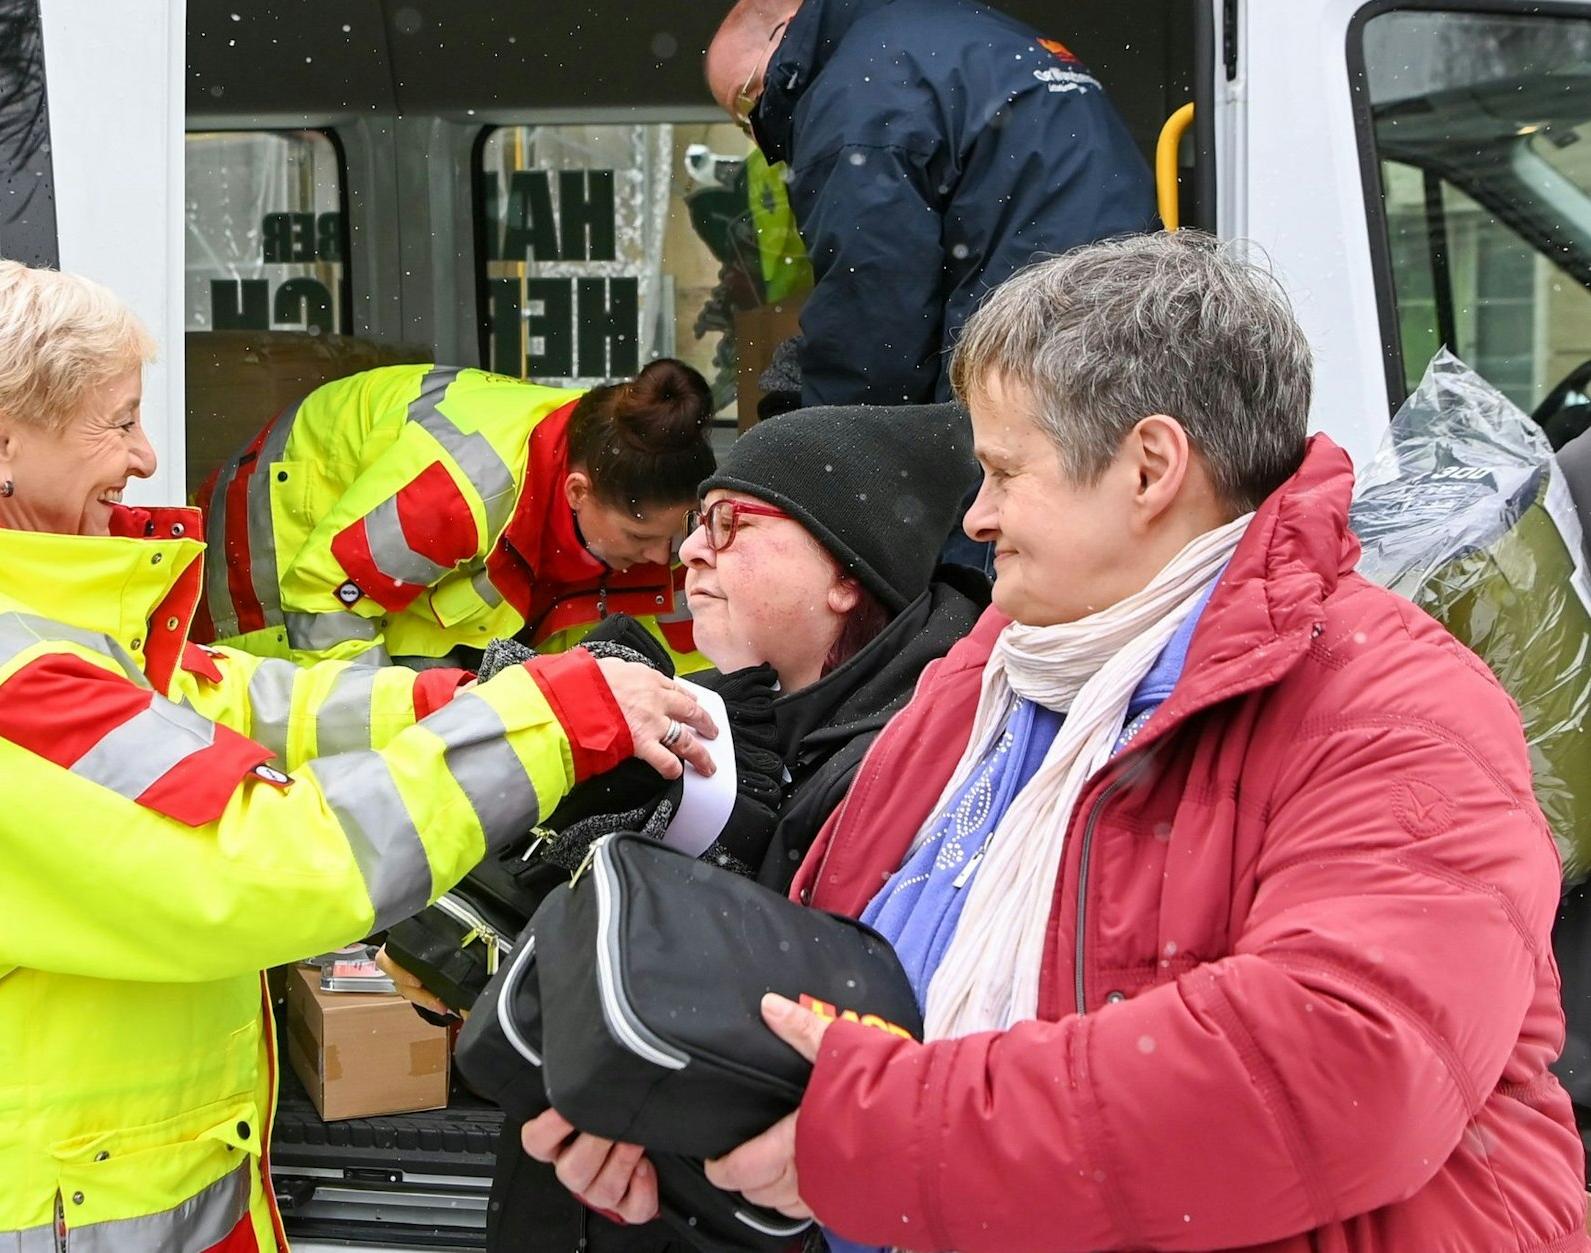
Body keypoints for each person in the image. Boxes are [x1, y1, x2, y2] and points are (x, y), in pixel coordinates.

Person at [540, 232, 1591, 1252]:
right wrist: (689, 1111)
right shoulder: (999, 668)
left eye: (1004, 470)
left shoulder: (1389, 706)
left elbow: (1334, 1068)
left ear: (1147, 468)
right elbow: (848, 957)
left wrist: (883, 1133)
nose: (978, 514)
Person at [0, 254, 719, 1252]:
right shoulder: (3, 676)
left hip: (83, 1178)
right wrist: (542, 721)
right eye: (117, 420)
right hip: (4, 1209)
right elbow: (275, 863)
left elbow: (239, 697)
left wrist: (464, 695)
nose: (146, 456)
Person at [475, 402, 986, 1252]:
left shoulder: (921, 770)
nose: (688, 549)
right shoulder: (747, 717)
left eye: (730, 523)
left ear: (845, 575)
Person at [705, 0, 1156, 411]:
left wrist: (816, 440)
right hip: (1135, 342)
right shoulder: (972, 34)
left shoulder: (856, 96)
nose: (756, 125)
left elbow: (873, 327)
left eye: (747, 97)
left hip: (1032, 371)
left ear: (782, 32)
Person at [195, 358, 717, 673]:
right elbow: (325, 604)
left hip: (388, 555)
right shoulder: (460, 488)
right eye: (640, 535)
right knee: (276, 715)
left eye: (679, 533)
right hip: (275, 519)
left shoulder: (624, 467)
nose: (662, 557)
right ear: (577, 491)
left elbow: (684, 670)